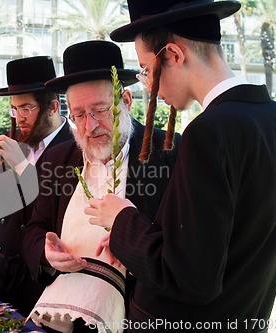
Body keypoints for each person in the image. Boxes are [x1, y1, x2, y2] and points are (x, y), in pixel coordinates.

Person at [84, 0, 276, 331]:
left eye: (145, 70)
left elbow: (190, 277)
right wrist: (133, 243)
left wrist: (121, 218)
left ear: (174, 55)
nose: (148, 86)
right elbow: (220, 246)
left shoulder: (209, 131)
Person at [22, 41, 181, 333]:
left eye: (100, 110)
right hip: (64, 319)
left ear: (126, 101)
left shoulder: (170, 153)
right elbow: (34, 229)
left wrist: (134, 243)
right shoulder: (58, 158)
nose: (89, 126)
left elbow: (183, 245)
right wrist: (47, 254)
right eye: (79, 115)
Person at [0, 56, 73, 316]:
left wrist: (22, 167)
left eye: (26, 108)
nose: (19, 117)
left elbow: (54, 210)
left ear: (52, 107)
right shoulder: (13, 139)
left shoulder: (73, 148)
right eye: (14, 109)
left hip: (37, 286)